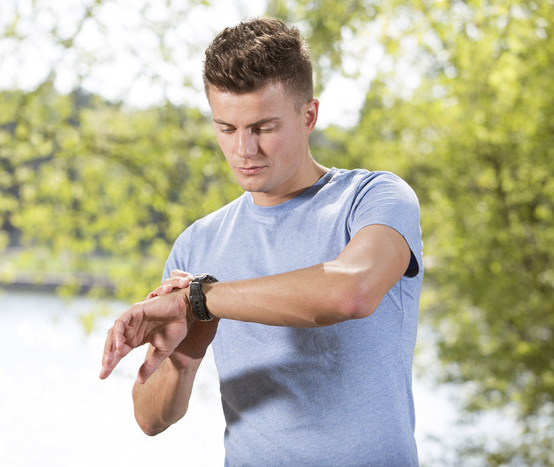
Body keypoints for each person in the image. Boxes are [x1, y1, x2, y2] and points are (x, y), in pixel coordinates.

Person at [100, 17, 422, 466]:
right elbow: (150, 418)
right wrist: (186, 352)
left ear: (308, 115)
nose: (243, 150)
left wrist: (203, 299)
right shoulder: (198, 242)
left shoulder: (373, 199)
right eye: (227, 129)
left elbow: (352, 291)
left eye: (263, 128)